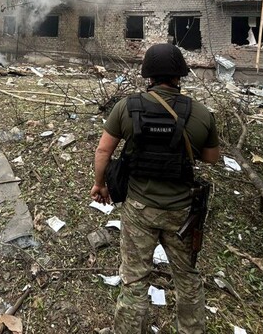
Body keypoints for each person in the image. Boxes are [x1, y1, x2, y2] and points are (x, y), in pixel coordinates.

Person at [91, 43, 220, 334]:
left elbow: (103, 152)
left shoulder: (127, 107)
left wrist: (100, 184)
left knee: (134, 282)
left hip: (139, 210)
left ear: (147, 74)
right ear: (180, 76)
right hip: (182, 215)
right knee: (187, 280)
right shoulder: (200, 113)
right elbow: (212, 158)